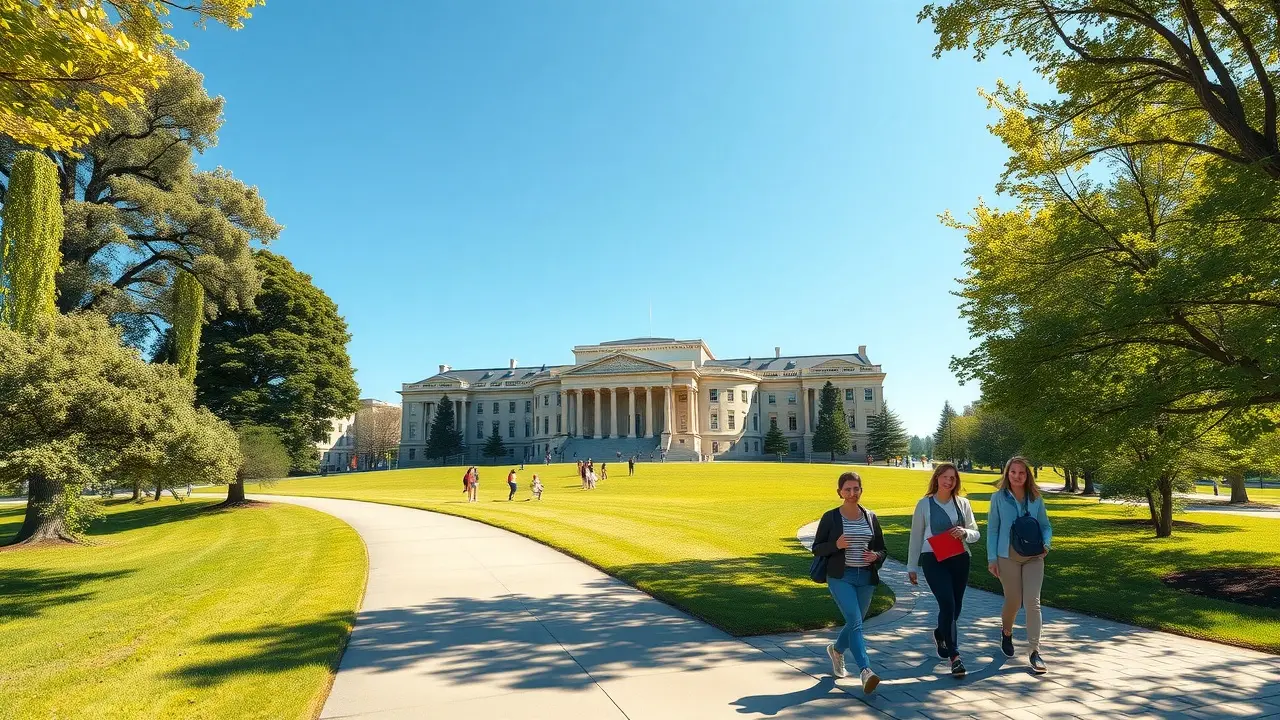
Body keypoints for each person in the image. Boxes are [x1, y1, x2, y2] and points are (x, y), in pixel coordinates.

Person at [811, 471, 887, 694]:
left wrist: (876, 556)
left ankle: (836, 650)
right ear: (839, 492)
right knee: (855, 621)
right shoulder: (831, 517)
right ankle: (866, 671)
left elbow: (882, 549)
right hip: (840, 576)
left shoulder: (870, 517)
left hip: (865, 578)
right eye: (847, 490)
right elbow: (817, 548)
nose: (852, 493)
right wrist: (836, 544)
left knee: (856, 622)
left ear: (861, 490)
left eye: (856, 489)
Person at [907, 462, 980, 677]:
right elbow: (916, 537)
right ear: (937, 478)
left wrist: (965, 532)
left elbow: (976, 533)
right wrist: (912, 566)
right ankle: (955, 657)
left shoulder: (963, 504)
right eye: (945, 477)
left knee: (955, 609)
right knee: (947, 603)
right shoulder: (924, 505)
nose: (949, 481)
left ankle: (940, 633)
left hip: (959, 559)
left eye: (953, 478)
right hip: (933, 559)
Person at [987, 456, 1052, 674]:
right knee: (1014, 602)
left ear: (1027, 475)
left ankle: (1034, 651)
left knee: (1033, 602)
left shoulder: (1036, 499)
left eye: (1021, 472)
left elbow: (1045, 525)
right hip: (1007, 556)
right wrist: (992, 559)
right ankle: (1006, 631)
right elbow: (993, 529)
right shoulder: (998, 498)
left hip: (1034, 556)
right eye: (1013, 472)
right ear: (1007, 474)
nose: (1017, 476)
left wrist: (1047, 544)